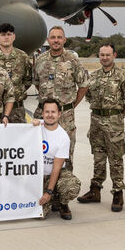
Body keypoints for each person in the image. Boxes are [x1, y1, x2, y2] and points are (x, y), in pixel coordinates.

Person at [78, 44, 125, 212]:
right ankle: (95, 190)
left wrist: (116, 116)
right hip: (95, 121)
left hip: (114, 121)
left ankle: (118, 192)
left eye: (108, 55)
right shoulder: (92, 77)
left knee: (116, 159)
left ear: (114, 55)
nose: (104, 58)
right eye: (102, 55)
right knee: (98, 157)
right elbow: (87, 96)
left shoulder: (123, 77)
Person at [32, 26, 89, 168]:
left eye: (59, 37)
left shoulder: (72, 60)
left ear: (64, 40)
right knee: (40, 152)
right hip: (43, 114)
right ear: (48, 40)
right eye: (53, 37)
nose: (56, 40)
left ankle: (64, 186)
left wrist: (71, 105)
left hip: (65, 115)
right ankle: (43, 186)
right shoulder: (40, 60)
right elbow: (37, 83)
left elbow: (84, 85)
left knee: (66, 154)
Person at [32, 99, 81, 220]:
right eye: (47, 112)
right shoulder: (35, 127)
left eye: (53, 112)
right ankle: (51, 199)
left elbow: (56, 168)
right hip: (35, 177)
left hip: (52, 175)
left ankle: (59, 199)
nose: (50, 115)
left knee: (71, 186)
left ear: (59, 114)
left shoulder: (63, 137)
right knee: (38, 215)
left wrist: (48, 192)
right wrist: (31, 124)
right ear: (42, 113)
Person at [0, 23, 33, 123]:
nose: (6, 37)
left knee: (19, 137)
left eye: (9, 34)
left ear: (14, 37)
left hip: (17, 110)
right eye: (3, 35)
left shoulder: (22, 56)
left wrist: (17, 91)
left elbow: (28, 79)